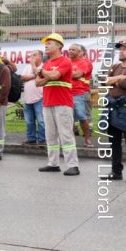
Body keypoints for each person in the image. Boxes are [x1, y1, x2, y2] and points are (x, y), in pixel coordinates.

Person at [37, 33, 80, 176]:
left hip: (63, 103)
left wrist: (41, 71)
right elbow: (38, 82)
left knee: (66, 134)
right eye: (46, 43)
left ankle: (73, 165)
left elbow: (54, 76)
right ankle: (53, 164)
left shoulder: (65, 61)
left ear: (59, 46)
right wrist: (46, 73)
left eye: (49, 43)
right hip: (48, 103)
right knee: (50, 135)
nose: (46, 45)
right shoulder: (47, 64)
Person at [101, 39, 126, 181]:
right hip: (113, 108)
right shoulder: (115, 66)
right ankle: (116, 172)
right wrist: (119, 78)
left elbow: (125, 84)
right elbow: (103, 80)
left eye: (124, 48)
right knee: (114, 141)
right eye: (120, 48)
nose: (121, 50)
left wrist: (116, 81)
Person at [68, 43, 94, 148]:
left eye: (73, 50)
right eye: (69, 49)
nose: (70, 51)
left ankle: (87, 139)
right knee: (68, 119)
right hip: (66, 94)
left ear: (80, 52)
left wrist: (62, 72)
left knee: (83, 117)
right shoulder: (66, 62)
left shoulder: (84, 62)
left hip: (80, 93)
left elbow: (77, 75)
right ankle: (70, 140)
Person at [20, 50, 46, 145]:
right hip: (28, 99)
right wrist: (34, 75)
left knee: (41, 121)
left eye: (35, 55)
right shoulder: (27, 67)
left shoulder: (44, 67)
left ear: (41, 56)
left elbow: (40, 75)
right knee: (29, 121)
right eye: (31, 55)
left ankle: (42, 139)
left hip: (40, 98)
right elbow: (22, 78)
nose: (32, 57)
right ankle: (31, 138)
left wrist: (34, 73)